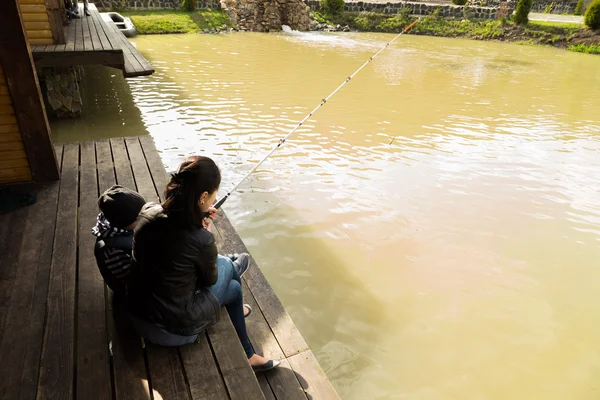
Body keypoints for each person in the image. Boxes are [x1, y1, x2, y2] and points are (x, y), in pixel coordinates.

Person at [126, 155, 280, 372]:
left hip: (137, 315)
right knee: (226, 266)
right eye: (212, 197)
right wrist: (204, 236)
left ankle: (247, 347)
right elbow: (210, 279)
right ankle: (248, 352)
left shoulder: (147, 212)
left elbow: (172, 234)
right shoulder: (201, 239)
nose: (212, 202)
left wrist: (196, 219)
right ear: (203, 196)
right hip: (173, 330)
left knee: (234, 290)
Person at [92, 185, 146, 295]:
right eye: (139, 217)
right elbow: (132, 280)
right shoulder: (113, 249)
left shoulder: (119, 224)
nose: (144, 218)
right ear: (126, 222)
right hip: (130, 289)